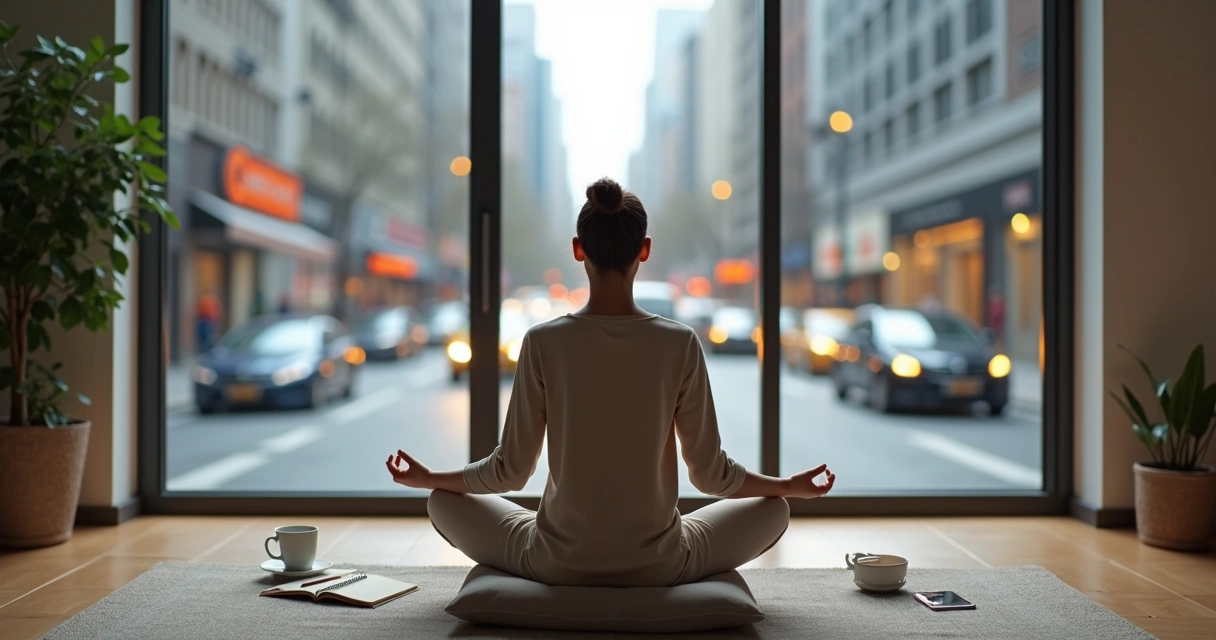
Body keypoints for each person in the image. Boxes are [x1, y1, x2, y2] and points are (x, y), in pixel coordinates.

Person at [386, 178, 835, 588]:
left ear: (579, 250)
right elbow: (711, 476)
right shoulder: (680, 343)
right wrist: (787, 485)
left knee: (440, 502)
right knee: (775, 509)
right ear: (645, 249)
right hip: (662, 563)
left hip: (554, 560)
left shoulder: (542, 341)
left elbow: (511, 470)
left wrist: (430, 477)